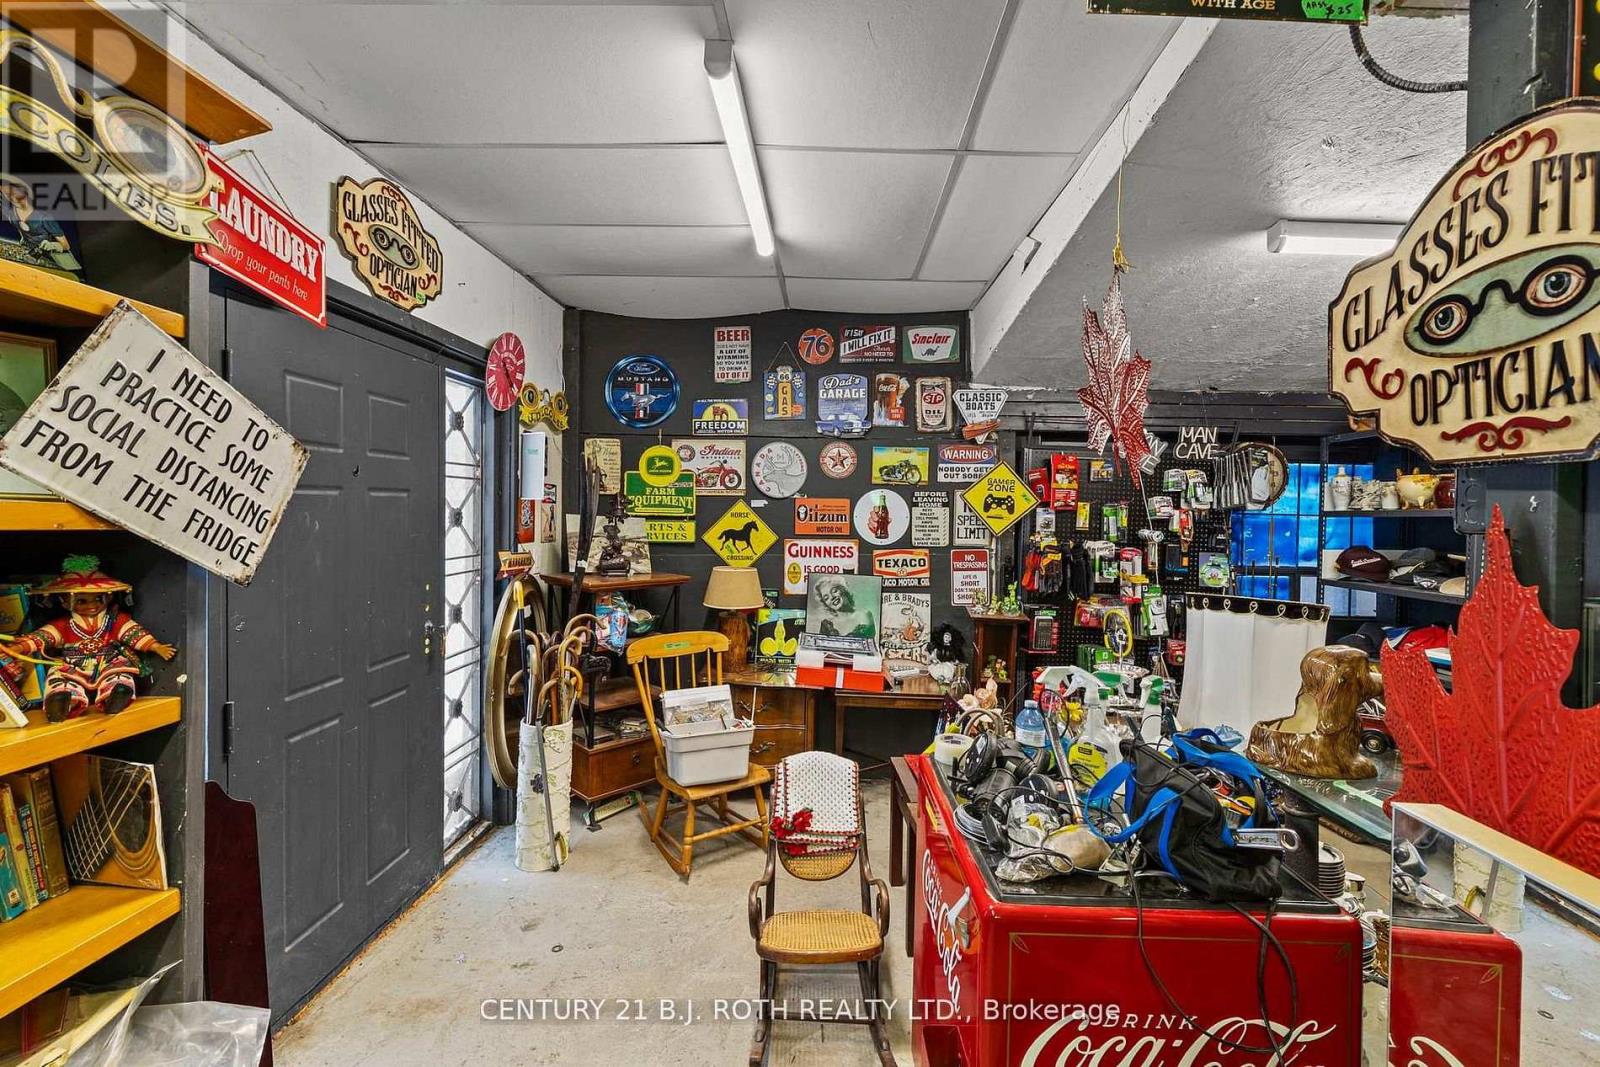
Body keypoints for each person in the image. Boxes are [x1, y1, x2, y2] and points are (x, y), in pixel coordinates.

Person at [0, 555, 176, 722]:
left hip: (108, 662)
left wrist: (155, 646)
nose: (91, 605)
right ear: (64, 602)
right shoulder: (63, 625)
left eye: (98, 599)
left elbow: (134, 633)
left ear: (108, 597)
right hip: (73, 665)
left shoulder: (115, 620)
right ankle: (62, 702)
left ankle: (115, 696)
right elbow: (42, 637)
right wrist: (18, 648)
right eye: (82, 601)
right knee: (60, 680)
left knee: (120, 676)